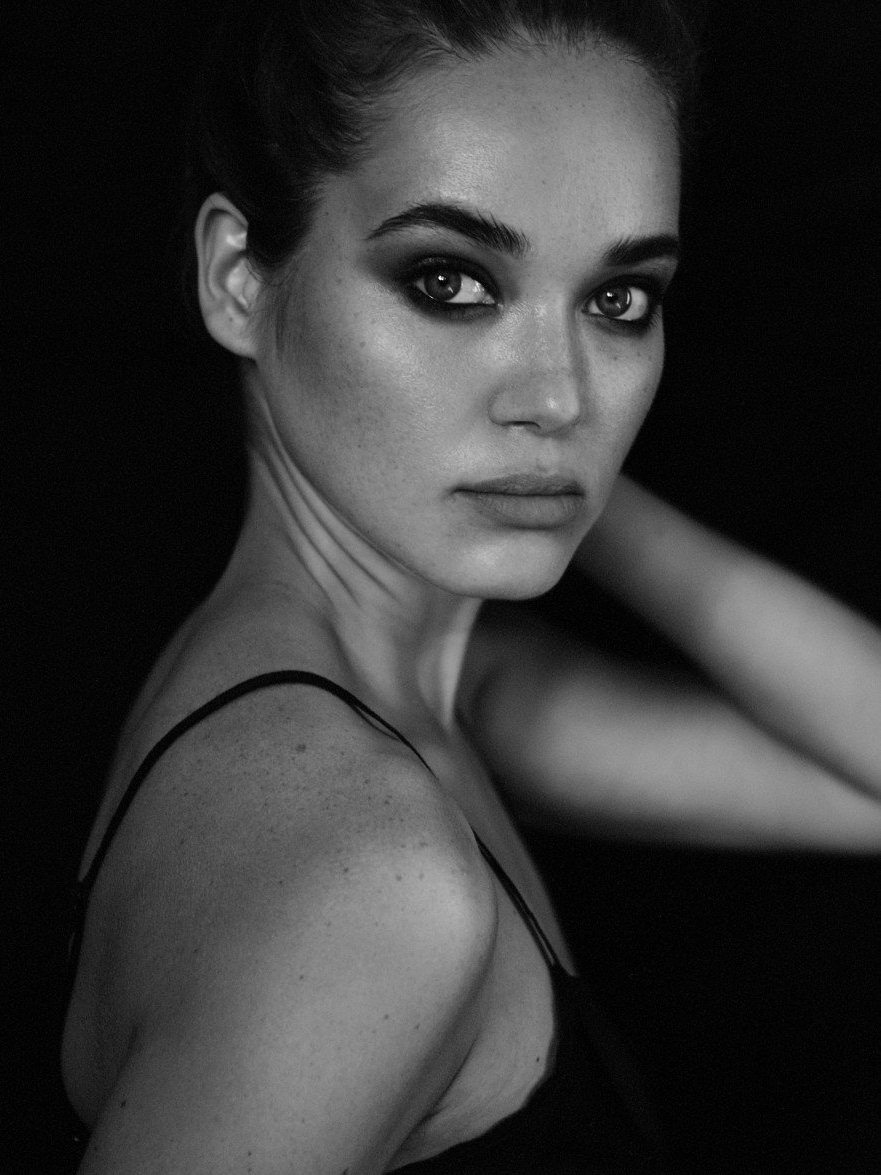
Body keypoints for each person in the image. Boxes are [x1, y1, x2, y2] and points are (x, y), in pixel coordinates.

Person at [60, 1, 881, 1171]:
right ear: (239, 277)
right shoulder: (371, 871)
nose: (560, 393)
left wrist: (569, 486)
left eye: (618, 300)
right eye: (451, 280)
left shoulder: (454, 696)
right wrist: (557, 474)